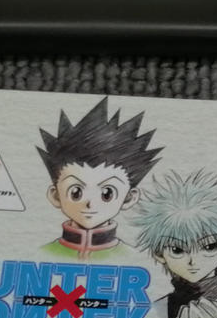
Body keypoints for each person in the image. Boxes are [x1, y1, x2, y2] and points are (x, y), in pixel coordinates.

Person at [36, 98, 161, 260]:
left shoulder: (132, 258)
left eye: (107, 193)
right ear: (55, 196)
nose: (90, 204)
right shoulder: (41, 254)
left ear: (129, 198)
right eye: (76, 192)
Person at [130, 169, 217, 318]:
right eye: (177, 250)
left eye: (210, 247)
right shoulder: (156, 310)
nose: (193, 261)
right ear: (159, 254)